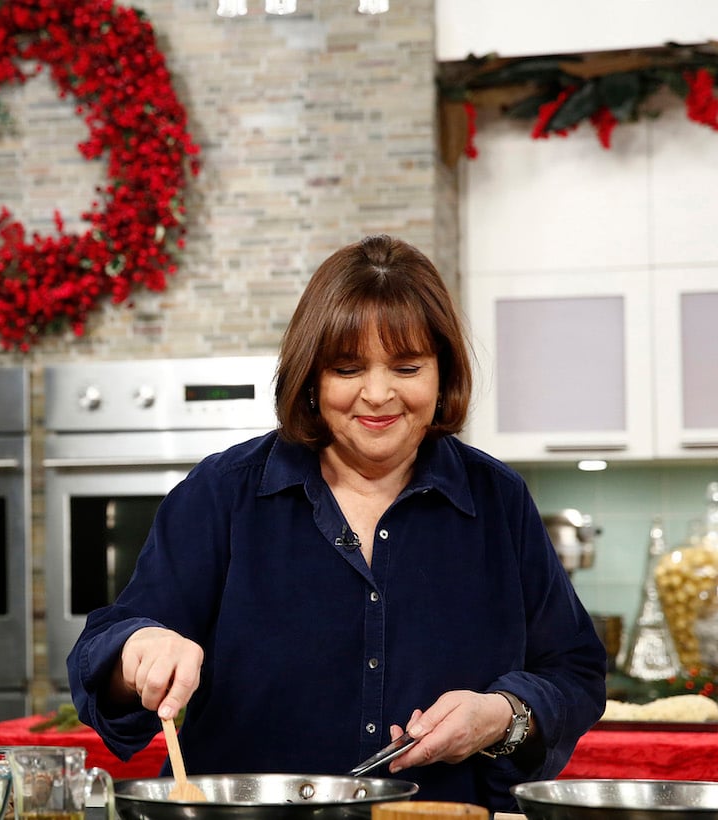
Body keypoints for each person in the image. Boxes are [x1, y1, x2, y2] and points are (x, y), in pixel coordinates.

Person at [66, 234, 607, 811]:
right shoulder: (222, 494)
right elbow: (103, 655)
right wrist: (139, 649)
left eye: (407, 366)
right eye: (347, 368)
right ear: (312, 377)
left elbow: (574, 672)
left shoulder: (499, 501)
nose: (378, 395)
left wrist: (504, 716)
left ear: (442, 372)